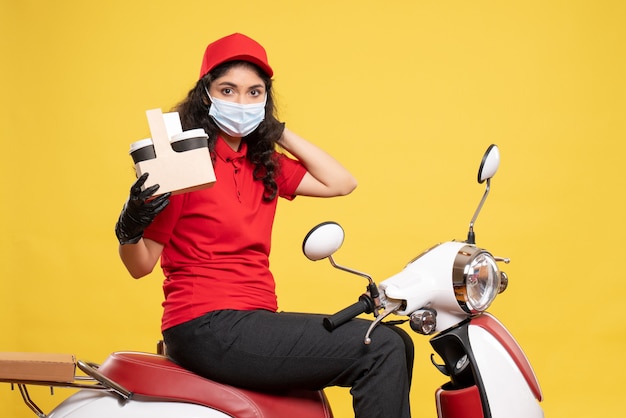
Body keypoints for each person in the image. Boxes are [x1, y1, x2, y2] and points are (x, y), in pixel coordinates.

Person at [115, 33, 413, 418]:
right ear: (205, 94)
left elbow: (341, 182)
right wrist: (130, 227)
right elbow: (140, 265)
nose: (242, 103)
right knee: (382, 347)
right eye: (229, 90)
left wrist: (274, 128)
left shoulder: (263, 164)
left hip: (254, 320)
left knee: (398, 342)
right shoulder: (186, 166)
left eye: (255, 93)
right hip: (205, 324)